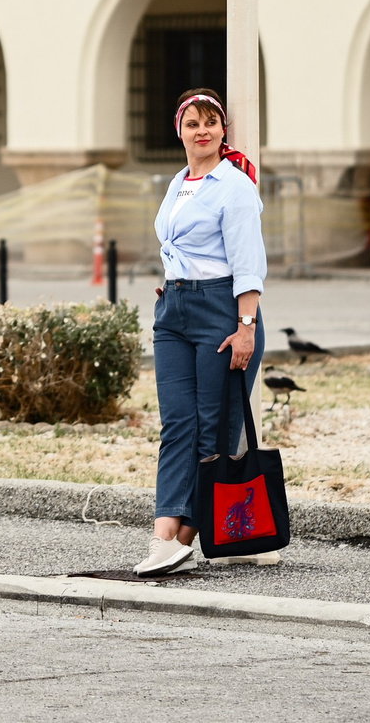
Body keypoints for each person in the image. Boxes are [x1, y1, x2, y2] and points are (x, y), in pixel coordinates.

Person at [137, 88, 271, 575]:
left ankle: (184, 538)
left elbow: (247, 263)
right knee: (177, 425)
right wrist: (174, 281)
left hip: (221, 311)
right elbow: (177, 241)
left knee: (211, 431)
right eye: (193, 123)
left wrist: (246, 327)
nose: (202, 130)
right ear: (180, 131)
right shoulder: (179, 182)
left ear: (222, 131)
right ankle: (162, 536)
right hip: (174, 311)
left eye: (211, 122)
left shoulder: (234, 186)